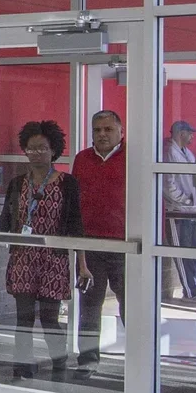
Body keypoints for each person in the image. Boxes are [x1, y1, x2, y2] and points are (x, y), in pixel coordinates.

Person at [0, 119, 83, 381]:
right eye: (31, 149)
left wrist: (82, 263)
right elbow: (6, 219)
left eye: (42, 148)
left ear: (53, 150)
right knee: (23, 318)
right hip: (23, 258)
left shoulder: (67, 183)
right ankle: (22, 365)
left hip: (53, 260)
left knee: (49, 318)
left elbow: (76, 223)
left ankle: (59, 365)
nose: (36, 153)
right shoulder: (17, 183)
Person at [71, 108, 125, 372]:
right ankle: (88, 362)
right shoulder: (82, 159)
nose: (102, 134)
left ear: (120, 132)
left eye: (108, 129)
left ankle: (141, 367)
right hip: (91, 247)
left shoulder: (134, 158)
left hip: (127, 246)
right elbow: (75, 204)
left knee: (132, 307)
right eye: (97, 130)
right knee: (90, 307)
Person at [162, 120, 196, 302]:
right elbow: (167, 184)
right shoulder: (169, 152)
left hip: (191, 210)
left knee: (192, 251)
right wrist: (184, 200)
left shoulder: (187, 153)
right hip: (177, 210)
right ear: (180, 133)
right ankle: (190, 290)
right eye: (189, 132)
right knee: (182, 252)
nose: (192, 136)